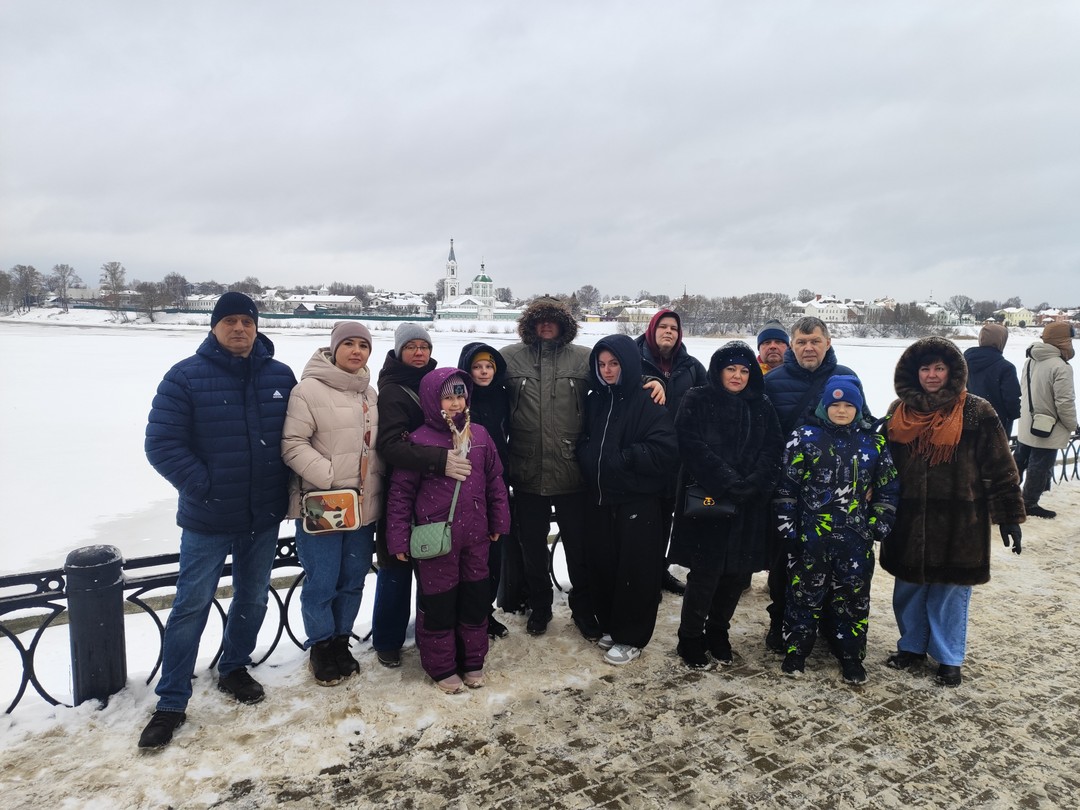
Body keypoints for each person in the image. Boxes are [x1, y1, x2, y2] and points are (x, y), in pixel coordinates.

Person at [139, 292, 297, 749]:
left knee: (253, 598)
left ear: (256, 326)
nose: (239, 329)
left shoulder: (279, 375)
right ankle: (171, 700)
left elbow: (296, 434)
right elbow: (162, 445)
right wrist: (205, 486)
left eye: (246, 321)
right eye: (229, 321)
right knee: (191, 605)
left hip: (263, 515)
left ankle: (233, 667)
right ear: (213, 327)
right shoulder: (185, 377)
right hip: (208, 518)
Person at [883, 336, 1024, 687]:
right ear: (914, 373)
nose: (932, 375)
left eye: (939, 368)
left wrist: (1008, 514)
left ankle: (948, 657)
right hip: (908, 518)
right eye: (925, 368)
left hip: (961, 522)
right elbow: (882, 468)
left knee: (949, 591)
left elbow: (1000, 466)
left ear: (952, 371)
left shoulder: (977, 410)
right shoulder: (898, 411)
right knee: (910, 586)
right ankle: (912, 646)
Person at [385, 369, 510, 693]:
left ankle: (472, 660)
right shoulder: (419, 441)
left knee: (474, 600)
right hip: (436, 540)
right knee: (438, 604)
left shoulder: (480, 436)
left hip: (477, 537)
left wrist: (499, 521)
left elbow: (495, 482)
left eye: (459, 396)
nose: (455, 403)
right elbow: (401, 494)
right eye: (447, 397)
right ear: (433, 400)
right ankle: (441, 666)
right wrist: (397, 537)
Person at [776, 375, 899, 685]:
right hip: (811, 538)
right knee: (803, 595)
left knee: (853, 599)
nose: (841, 410)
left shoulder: (874, 443)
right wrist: (787, 528)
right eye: (835, 404)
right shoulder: (804, 438)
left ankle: (850, 656)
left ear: (857, 409)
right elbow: (786, 487)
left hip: (855, 540)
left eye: (848, 405)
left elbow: (888, 488)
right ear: (824, 407)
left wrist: (878, 523)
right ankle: (796, 652)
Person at [670, 342, 783, 670]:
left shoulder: (761, 404)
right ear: (718, 370)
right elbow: (690, 445)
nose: (737, 375)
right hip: (710, 502)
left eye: (744, 370)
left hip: (749, 505)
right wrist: (729, 481)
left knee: (736, 574)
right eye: (731, 369)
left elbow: (774, 449)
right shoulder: (698, 398)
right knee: (705, 574)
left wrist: (755, 484)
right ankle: (689, 636)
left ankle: (718, 631)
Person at [281, 322, 382, 686]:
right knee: (322, 580)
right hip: (323, 504)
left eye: (363, 346)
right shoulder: (308, 390)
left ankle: (342, 640)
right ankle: (321, 647)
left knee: (353, 578)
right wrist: (328, 476)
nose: (357, 351)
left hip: (363, 506)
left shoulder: (369, 393)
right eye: (349, 344)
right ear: (334, 348)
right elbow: (293, 443)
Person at [762, 317, 867, 653]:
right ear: (792, 345)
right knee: (785, 560)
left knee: (837, 566)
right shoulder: (773, 382)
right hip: (790, 493)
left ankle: (832, 627)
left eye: (815, 341)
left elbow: (863, 429)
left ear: (828, 342)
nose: (808, 348)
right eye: (802, 342)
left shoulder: (847, 378)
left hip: (837, 497)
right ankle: (780, 622)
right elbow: (764, 437)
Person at [371, 323, 471, 669]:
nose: (418, 352)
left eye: (423, 347)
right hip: (404, 490)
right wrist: (438, 459)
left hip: (440, 495)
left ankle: (435, 632)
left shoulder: (442, 382)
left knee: (436, 568)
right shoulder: (394, 390)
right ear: (399, 351)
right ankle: (387, 639)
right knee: (396, 568)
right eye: (411, 347)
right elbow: (390, 445)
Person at [577, 335, 679, 665]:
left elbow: (665, 449)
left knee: (635, 571)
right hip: (599, 498)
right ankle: (611, 624)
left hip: (637, 500)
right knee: (604, 566)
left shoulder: (649, 400)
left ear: (628, 364)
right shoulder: (595, 400)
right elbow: (587, 438)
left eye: (615, 363)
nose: (607, 371)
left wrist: (626, 458)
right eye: (602, 364)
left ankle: (632, 636)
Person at [501, 296, 598, 639]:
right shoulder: (509, 358)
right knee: (531, 546)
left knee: (579, 547)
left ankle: (584, 609)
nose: (546, 324)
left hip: (573, 472)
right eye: (539, 319)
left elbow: (621, 381)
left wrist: (654, 382)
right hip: (527, 472)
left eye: (552, 319)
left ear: (563, 324)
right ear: (530, 324)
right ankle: (540, 606)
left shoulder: (585, 359)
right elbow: (477, 387)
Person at [635, 309, 708, 596]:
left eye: (674, 328)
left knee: (667, 518)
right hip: (644, 455)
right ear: (651, 330)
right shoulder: (633, 359)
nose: (668, 332)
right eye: (663, 327)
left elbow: (709, 399)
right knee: (642, 521)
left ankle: (660, 570)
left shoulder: (690, 366)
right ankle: (642, 574)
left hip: (679, 458)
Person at [457, 342, 514, 638]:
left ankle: (486, 612)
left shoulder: (503, 397)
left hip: (497, 482)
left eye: (488, 366)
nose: (483, 372)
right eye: (477, 366)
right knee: (470, 553)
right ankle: (467, 615)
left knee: (493, 550)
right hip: (466, 485)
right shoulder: (459, 398)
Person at [1014, 322, 1077, 519]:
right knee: (1040, 465)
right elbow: (1065, 403)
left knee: (1020, 460)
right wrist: (1073, 426)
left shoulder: (1031, 360)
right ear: (1063, 340)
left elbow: (1025, 391)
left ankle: (1004, 495)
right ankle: (1029, 503)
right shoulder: (1060, 366)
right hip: (1047, 426)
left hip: (1028, 423)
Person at [963, 322, 1021, 438]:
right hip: (996, 424)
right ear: (1001, 341)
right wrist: (1013, 415)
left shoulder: (965, 362)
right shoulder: (1006, 368)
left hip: (969, 421)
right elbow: (1011, 400)